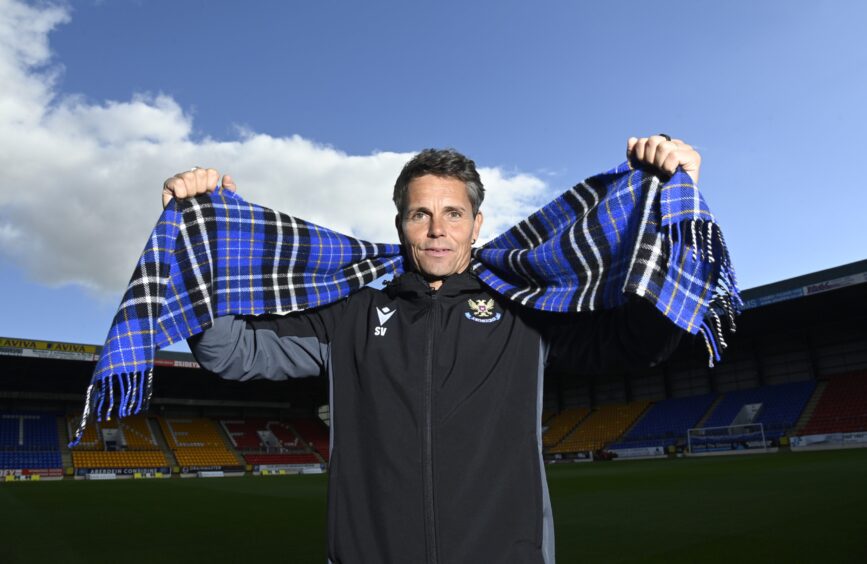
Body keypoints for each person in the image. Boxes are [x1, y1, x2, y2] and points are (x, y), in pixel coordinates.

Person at [163, 136, 700, 564]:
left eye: (453, 213)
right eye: (421, 214)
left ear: (477, 224)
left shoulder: (526, 310)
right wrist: (200, 243)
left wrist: (678, 201)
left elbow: (639, 340)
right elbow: (230, 351)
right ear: (400, 225)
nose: (438, 229)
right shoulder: (350, 313)